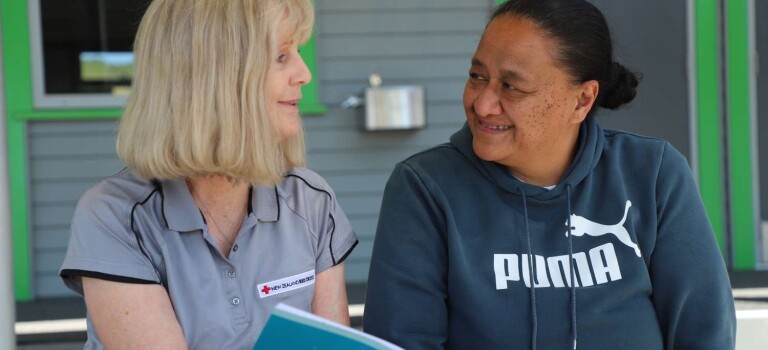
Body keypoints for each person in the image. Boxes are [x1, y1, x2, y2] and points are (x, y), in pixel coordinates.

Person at [363, 0, 735, 349]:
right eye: (478, 76)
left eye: (511, 86)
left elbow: (704, 334)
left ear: (582, 100)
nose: (482, 103)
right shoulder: (426, 188)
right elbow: (402, 341)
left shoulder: (652, 174)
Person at [59, 0, 358, 349]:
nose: (304, 73)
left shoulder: (310, 200)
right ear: (216, 76)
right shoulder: (115, 216)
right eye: (281, 56)